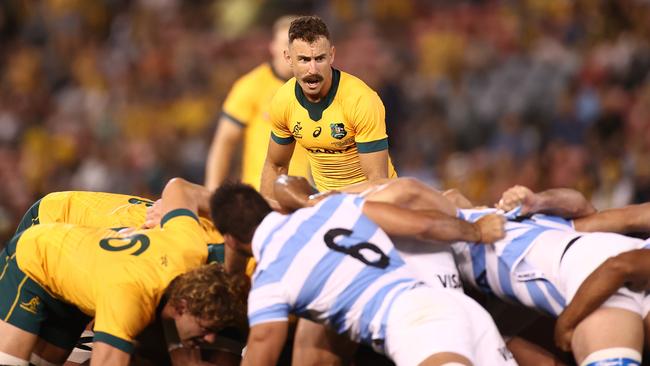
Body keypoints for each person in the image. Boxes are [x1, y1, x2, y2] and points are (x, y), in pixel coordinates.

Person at [210, 181, 515, 366]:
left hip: (415, 327)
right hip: (455, 307)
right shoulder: (335, 208)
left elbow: (261, 353)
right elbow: (422, 224)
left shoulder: (269, 280)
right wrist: (475, 230)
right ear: (267, 209)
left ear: (232, 241)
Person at [0, 178, 247, 366]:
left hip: (101, 260)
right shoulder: (134, 294)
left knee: (56, 355)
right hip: (55, 226)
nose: (212, 338)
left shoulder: (190, 246)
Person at [260, 15, 397, 204]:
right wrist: (266, 221)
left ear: (332, 55)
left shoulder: (360, 99)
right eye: (304, 60)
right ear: (288, 58)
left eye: (320, 59)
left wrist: (330, 199)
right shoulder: (283, 101)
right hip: (325, 205)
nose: (313, 69)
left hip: (372, 202)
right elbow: (276, 165)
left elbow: (377, 182)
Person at [205, 15, 310, 192]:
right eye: (286, 43)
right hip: (262, 197)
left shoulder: (322, 87)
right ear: (273, 47)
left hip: (310, 195)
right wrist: (212, 193)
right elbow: (224, 141)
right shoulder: (251, 86)